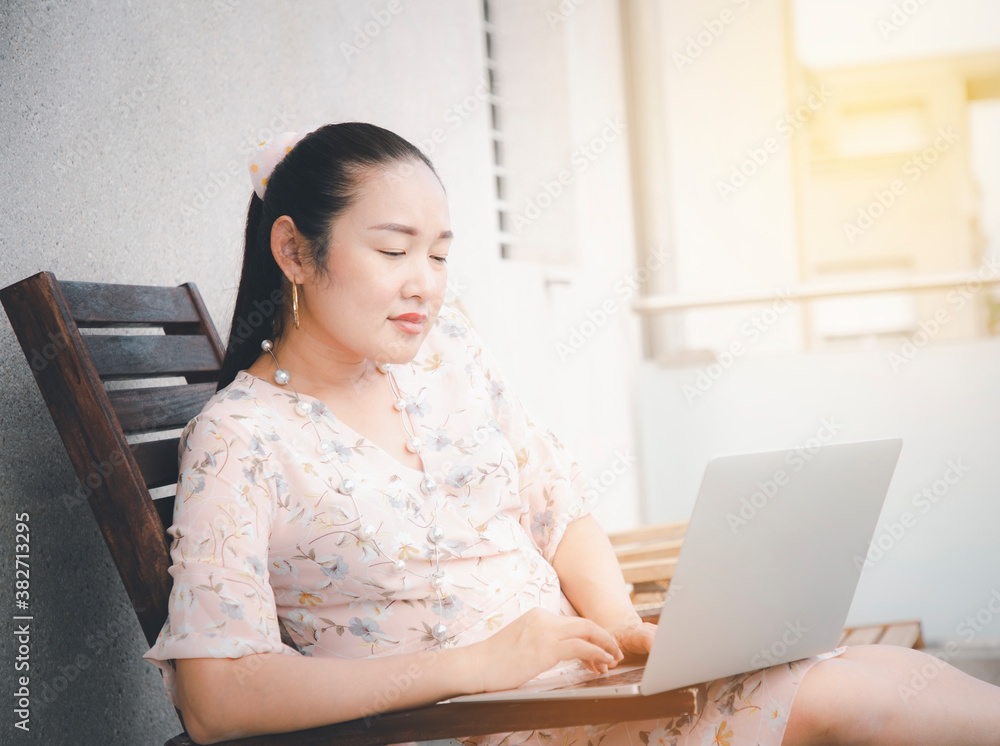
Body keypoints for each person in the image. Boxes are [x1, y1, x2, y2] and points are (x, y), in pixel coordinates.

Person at [144, 122, 1000, 745]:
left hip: (590, 694)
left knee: (864, 673)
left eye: (440, 255)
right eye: (395, 250)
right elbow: (219, 699)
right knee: (847, 703)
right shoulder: (243, 439)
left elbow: (557, 506)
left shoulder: (448, 359)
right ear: (295, 253)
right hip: (492, 727)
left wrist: (621, 622)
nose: (426, 285)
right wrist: (478, 664)